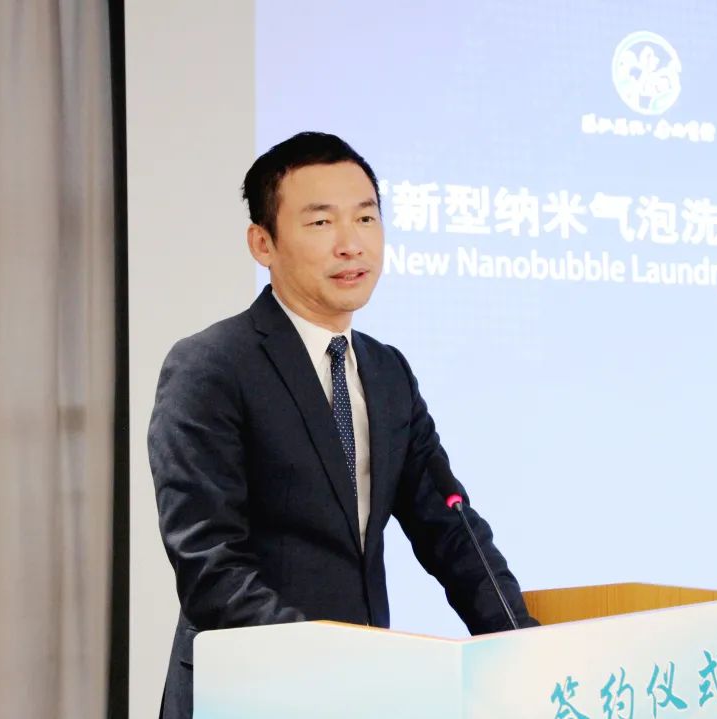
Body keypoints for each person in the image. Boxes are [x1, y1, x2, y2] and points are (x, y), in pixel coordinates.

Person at [148, 131, 536, 719]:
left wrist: (520, 642)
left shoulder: (386, 371)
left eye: (366, 218)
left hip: (360, 691)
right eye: (321, 222)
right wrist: (328, 667)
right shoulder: (212, 366)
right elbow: (209, 562)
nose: (351, 244)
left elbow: (450, 527)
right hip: (251, 693)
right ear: (262, 243)